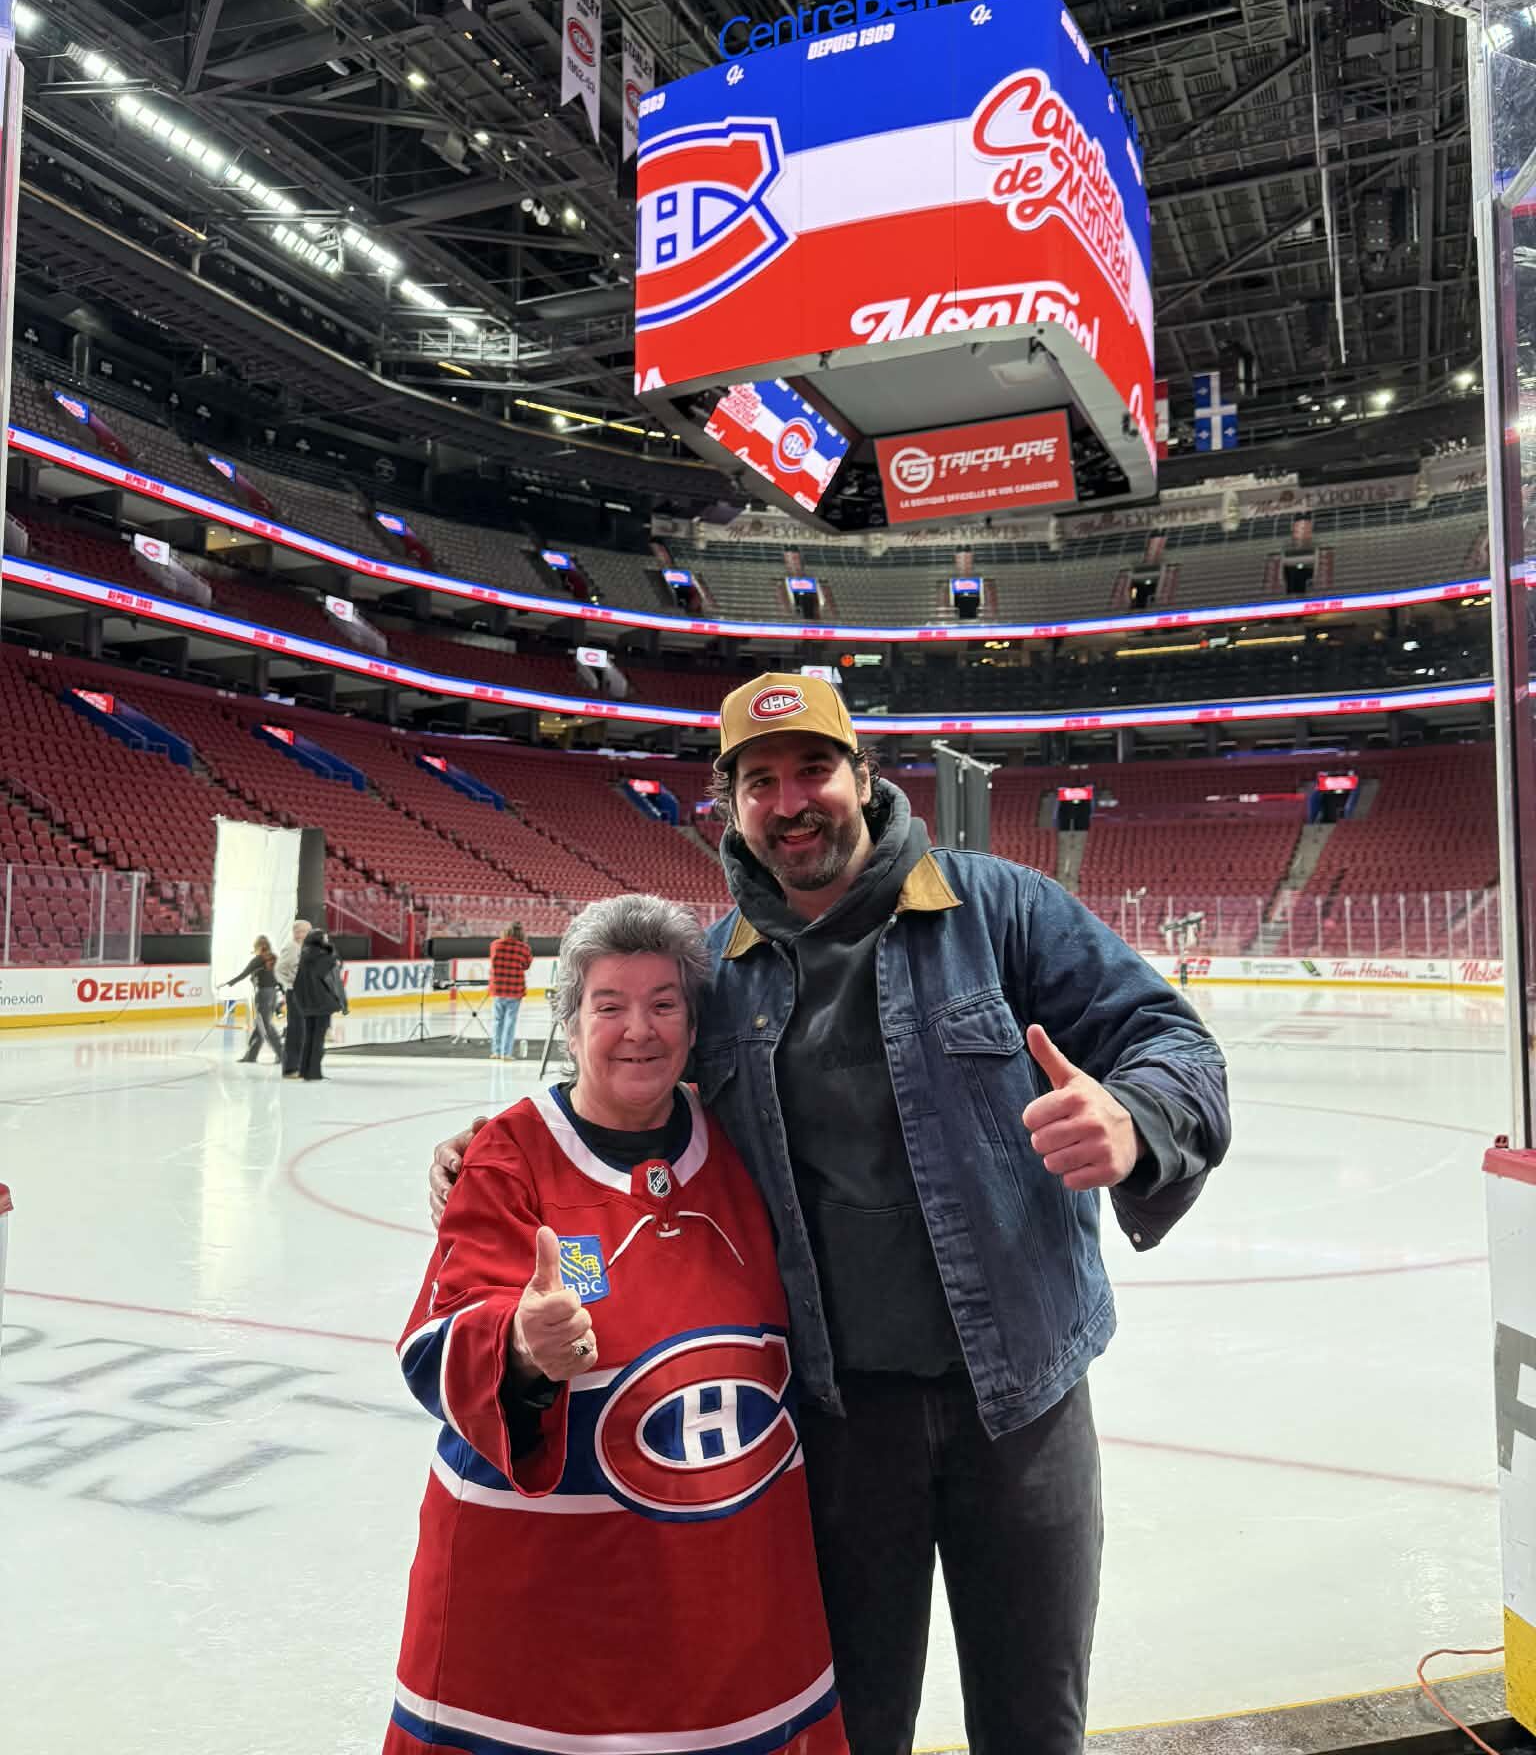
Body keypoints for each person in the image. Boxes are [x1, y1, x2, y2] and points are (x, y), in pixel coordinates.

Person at [433, 673, 1231, 1755]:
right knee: (854, 1727)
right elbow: (626, 1098)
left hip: (1025, 1407)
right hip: (839, 1420)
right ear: (731, 805)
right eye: (760, 780)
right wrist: (501, 1158)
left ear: (865, 778)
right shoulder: (716, 972)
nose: (792, 799)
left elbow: (1176, 1045)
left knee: (1035, 1724)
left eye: (814, 769)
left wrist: (1133, 1121)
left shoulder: (999, 909)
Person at [386, 895, 845, 1755]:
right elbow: (436, 1340)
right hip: (541, 1626)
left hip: (730, 1614)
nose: (640, 1029)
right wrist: (522, 1349)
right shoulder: (510, 1154)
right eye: (610, 1005)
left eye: (664, 1004)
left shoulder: (744, 1145)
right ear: (568, 1024)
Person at [288, 926, 347, 1082]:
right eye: (326, 938)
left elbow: (298, 982)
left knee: (309, 1037)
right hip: (322, 1003)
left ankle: (304, 1070)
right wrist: (343, 1002)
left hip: (306, 1003)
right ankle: (314, 1073)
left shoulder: (304, 956)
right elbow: (335, 983)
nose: (328, 940)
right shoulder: (328, 958)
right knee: (318, 1039)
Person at [220, 934, 282, 1063]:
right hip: (273, 994)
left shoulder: (258, 959)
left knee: (265, 1025)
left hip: (263, 994)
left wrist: (228, 983)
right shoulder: (275, 958)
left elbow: (243, 974)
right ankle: (251, 1055)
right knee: (261, 1025)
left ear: (257, 946)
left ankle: (282, 1054)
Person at [486, 919, 532, 1059]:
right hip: (514, 989)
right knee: (510, 1022)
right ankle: (507, 1053)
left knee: (497, 1021)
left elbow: (493, 962)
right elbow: (526, 965)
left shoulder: (495, 945)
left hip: (498, 988)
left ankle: (496, 1051)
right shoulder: (524, 948)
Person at [275, 917, 311, 1078]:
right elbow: (279, 970)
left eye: (304, 931)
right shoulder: (291, 947)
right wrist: (288, 984)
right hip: (295, 992)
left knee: (304, 1030)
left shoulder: (308, 947)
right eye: (297, 931)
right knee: (296, 1029)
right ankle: (290, 1067)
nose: (300, 934)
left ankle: (301, 1065)